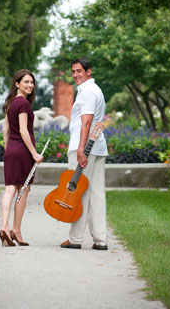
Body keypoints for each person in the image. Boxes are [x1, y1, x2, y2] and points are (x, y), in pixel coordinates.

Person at [60, 58, 109, 250]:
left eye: (79, 71)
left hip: (85, 148)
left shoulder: (87, 92)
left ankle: (75, 239)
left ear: (89, 71)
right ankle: (100, 239)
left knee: (77, 191)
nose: (75, 75)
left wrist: (81, 150)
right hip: (98, 147)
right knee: (96, 193)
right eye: (73, 71)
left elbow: (87, 123)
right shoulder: (95, 90)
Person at [0, 69, 43, 247]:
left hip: (10, 150)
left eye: (32, 82)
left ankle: (4, 228)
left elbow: (5, 131)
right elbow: (24, 130)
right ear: (17, 84)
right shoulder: (23, 104)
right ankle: (16, 230)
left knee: (10, 189)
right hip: (23, 152)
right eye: (26, 82)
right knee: (22, 191)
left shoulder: (10, 103)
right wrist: (33, 153)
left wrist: (8, 149)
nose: (30, 85)